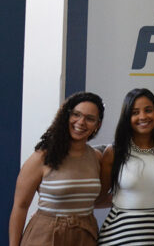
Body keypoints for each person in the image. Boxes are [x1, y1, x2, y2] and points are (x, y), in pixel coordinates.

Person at [9, 92, 105, 246]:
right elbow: (21, 206)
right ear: (66, 116)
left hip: (85, 235)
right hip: (45, 236)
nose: (81, 122)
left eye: (90, 118)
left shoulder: (97, 157)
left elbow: (99, 199)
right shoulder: (42, 157)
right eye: (76, 115)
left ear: (97, 125)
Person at [97, 88, 154, 245]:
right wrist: (126, 203)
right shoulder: (114, 152)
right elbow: (98, 199)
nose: (143, 117)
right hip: (118, 236)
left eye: (148, 110)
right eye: (135, 112)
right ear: (127, 117)